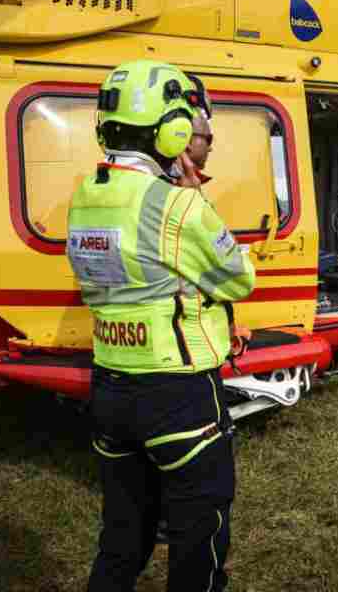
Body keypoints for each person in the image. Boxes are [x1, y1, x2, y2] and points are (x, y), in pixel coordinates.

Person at [67, 59, 255, 591]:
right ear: (172, 128)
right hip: (178, 390)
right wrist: (195, 199)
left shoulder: (86, 194)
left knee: (123, 533)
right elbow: (238, 278)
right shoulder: (176, 205)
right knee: (201, 530)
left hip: (109, 384)